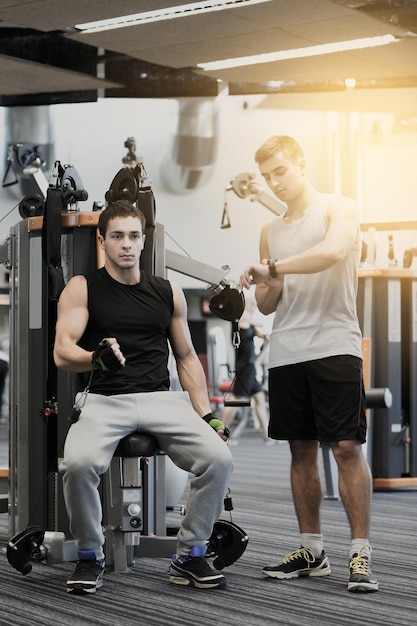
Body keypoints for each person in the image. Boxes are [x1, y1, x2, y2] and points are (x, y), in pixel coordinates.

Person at [54, 199, 233, 595]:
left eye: (134, 236)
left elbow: (186, 358)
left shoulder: (167, 292)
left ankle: (189, 554)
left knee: (218, 459)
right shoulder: (82, 288)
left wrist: (207, 415)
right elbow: (62, 350)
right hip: (104, 401)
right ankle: (89, 555)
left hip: (161, 399)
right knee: (78, 465)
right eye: (117, 236)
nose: (126, 244)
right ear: (102, 241)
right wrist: (94, 358)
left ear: (143, 240)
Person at [239, 135, 378, 593]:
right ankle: (312, 550)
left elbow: (332, 252)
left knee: (345, 448)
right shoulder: (269, 230)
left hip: (336, 344)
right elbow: (265, 303)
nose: (274, 182)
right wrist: (266, 276)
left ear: (301, 163)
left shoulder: (340, 207)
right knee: (300, 451)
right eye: (267, 177)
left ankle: (360, 553)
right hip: (288, 350)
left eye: (280, 171)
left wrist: (274, 266)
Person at [221, 293, 274, 445]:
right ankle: (220, 435)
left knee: (259, 398)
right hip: (244, 367)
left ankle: (267, 435)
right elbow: (253, 321)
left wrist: (263, 336)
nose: (255, 307)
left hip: (250, 367)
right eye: (253, 304)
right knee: (237, 401)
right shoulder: (241, 317)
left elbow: (256, 330)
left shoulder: (247, 322)